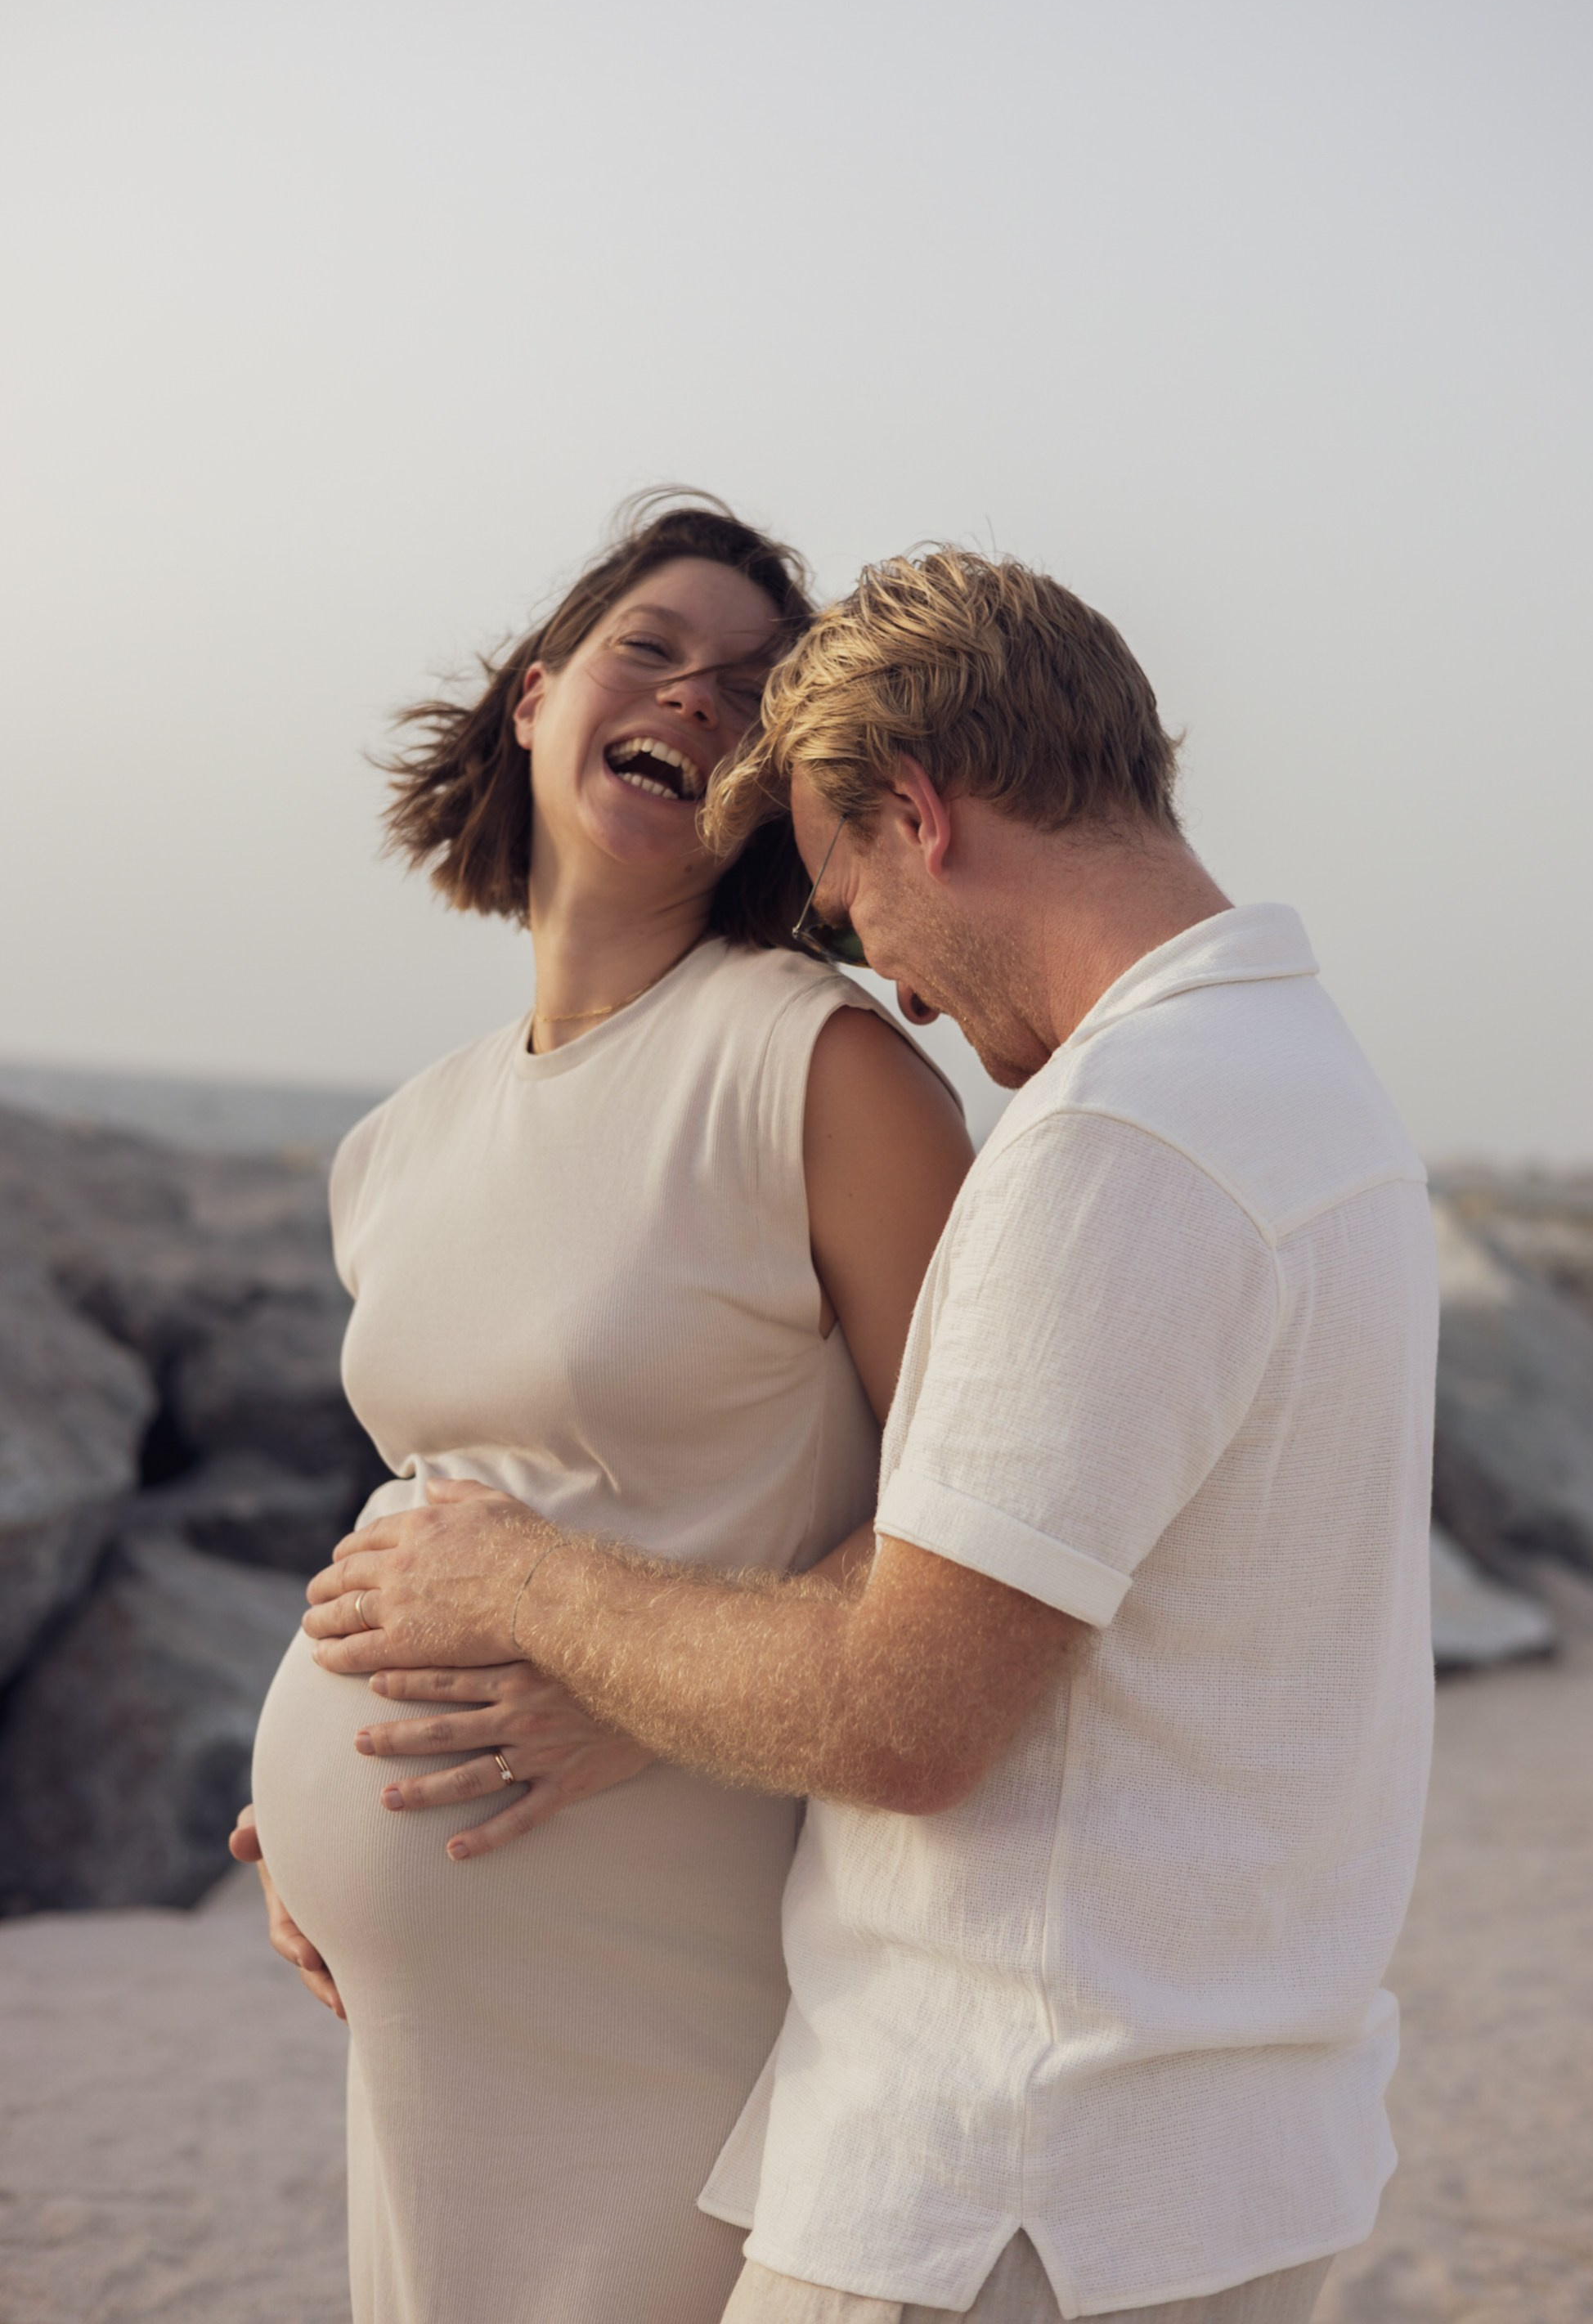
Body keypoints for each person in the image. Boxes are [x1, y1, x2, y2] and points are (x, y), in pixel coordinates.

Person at [307, 548, 1439, 2324]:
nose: (895, 988)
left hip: (1004, 2173)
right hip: (1147, 2156)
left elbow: (902, 1711)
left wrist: (515, 1581)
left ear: (915, 813)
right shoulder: (1302, 1093)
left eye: (851, 907)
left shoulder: (1115, 1145)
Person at [239, 497, 973, 2324]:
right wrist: (302, 1799)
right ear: (537, 691)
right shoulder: (396, 1144)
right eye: (655, 646)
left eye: (753, 690)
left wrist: (656, 1693)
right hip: (416, 2008)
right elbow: (451, 1485)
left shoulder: (819, 1068)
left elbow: (988, 1511)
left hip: (661, 1969)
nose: (698, 699)